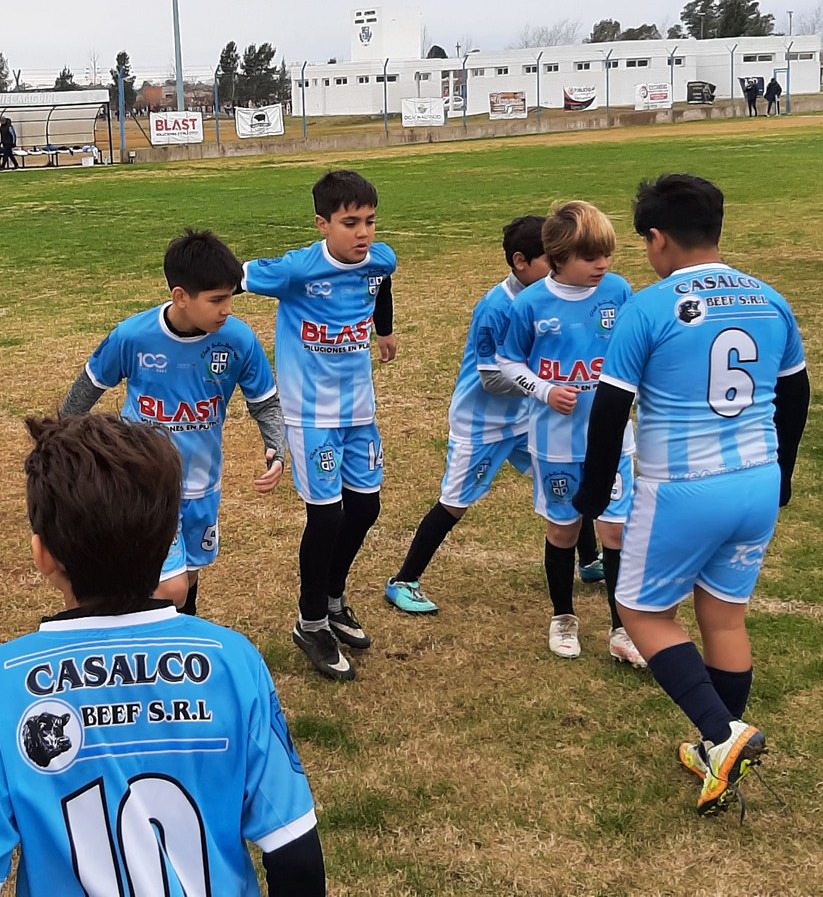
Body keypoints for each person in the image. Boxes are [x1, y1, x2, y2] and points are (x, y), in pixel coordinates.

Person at [0, 414, 325, 897]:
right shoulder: (231, 661)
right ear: (168, 547)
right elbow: (295, 855)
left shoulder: (3, 682)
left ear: (42, 554)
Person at [573, 175, 809, 816]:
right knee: (724, 617)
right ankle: (716, 752)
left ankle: (722, 734)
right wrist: (784, 473)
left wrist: (593, 493)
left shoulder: (648, 307)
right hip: (757, 480)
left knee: (641, 612)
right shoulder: (770, 299)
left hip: (682, 487)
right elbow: (796, 395)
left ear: (656, 238)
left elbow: (609, 411)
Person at [61, 230, 286, 615]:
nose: (227, 308)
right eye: (216, 299)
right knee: (168, 586)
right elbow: (84, 393)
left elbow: (266, 403)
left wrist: (277, 448)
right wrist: (63, 452)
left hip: (201, 484)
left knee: (189, 578)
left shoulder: (239, 341)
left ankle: (178, 639)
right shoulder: (133, 336)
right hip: (143, 482)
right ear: (181, 296)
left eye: (230, 297)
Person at [242, 170, 398, 681]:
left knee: (366, 507)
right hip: (310, 416)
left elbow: (382, 281)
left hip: (360, 410)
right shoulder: (295, 271)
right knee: (326, 518)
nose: (363, 233)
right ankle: (310, 623)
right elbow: (233, 277)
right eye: (350, 223)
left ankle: (333, 599)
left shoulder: (380, 258)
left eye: (370, 221)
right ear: (322, 224)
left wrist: (384, 330)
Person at [384, 216, 549, 618]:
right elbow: (492, 380)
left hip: (527, 417)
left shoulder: (546, 298)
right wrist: (548, 385)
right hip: (482, 424)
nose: (560, 268)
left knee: (564, 478)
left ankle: (589, 559)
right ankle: (404, 581)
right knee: (455, 503)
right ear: (521, 261)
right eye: (552, 260)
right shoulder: (496, 308)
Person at [504, 203, 641, 663]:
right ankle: (563, 616)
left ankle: (623, 628)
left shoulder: (618, 291)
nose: (603, 264)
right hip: (556, 443)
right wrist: (544, 391)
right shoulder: (531, 304)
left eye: (607, 254)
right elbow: (508, 361)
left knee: (615, 532)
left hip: (612, 440)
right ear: (559, 258)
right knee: (564, 531)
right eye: (590, 257)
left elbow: (635, 351)